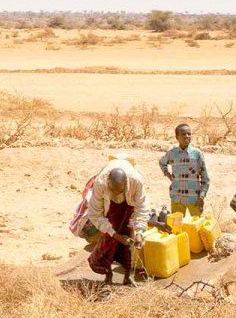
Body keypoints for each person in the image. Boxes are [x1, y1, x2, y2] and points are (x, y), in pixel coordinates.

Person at [69, 156, 149, 286]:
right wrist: (115, 235)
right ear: (108, 183)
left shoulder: (136, 181)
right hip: (109, 213)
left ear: (126, 184)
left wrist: (139, 232)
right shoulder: (100, 183)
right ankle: (108, 274)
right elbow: (95, 214)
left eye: (120, 191)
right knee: (107, 243)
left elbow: (142, 207)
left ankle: (127, 278)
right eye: (113, 191)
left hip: (127, 210)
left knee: (129, 244)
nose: (117, 195)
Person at [157, 123, 211, 216]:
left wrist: (202, 197)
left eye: (189, 134)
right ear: (177, 137)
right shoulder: (172, 153)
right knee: (177, 227)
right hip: (176, 198)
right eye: (183, 134)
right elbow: (162, 163)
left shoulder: (197, 154)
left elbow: (205, 179)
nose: (187, 136)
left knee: (196, 227)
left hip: (194, 199)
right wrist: (168, 175)